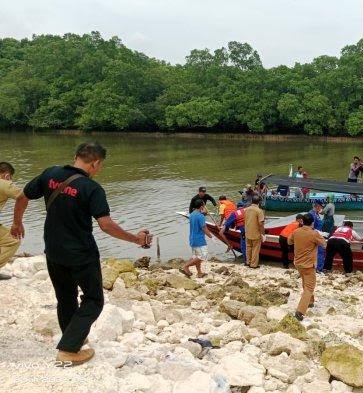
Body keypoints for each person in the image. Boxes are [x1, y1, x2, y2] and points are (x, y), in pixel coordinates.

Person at [11, 142, 151, 366]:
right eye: (100, 166)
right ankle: (68, 350)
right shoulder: (91, 188)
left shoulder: (50, 174)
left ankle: (73, 339)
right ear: (95, 163)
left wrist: (17, 223)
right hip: (81, 254)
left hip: (53, 250)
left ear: (76, 156)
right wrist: (136, 239)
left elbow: (22, 197)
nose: (98, 170)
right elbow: (105, 224)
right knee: (93, 300)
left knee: (65, 298)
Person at [288, 213, 326, 321]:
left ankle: (310, 302)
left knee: (306, 283)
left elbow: (289, 241)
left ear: (302, 222)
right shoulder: (314, 233)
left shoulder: (296, 232)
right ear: (313, 223)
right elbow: (324, 244)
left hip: (298, 263)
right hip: (309, 264)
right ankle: (300, 311)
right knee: (309, 287)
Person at [0, 162, 22, 279]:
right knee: (13, 240)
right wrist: (17, 223)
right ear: (7, 175)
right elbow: (23, 196)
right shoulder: (3, 183)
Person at [182, 199, 212, 278]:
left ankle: (199, 273)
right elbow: (204, 228)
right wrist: (210, 235)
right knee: (203, 256)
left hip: (192, 238)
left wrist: (204, 211)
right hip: (199, 239)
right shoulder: (200, 216)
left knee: (196, 256)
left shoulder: (192, 214)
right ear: (201, 206)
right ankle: (186, 266)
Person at [244, 194, 265, 268]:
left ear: (251, 201)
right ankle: (253, 264)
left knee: (248, 248)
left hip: (247, 232)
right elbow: (261, 224)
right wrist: (263, 234)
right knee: (255, 249)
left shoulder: (246, 209)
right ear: (259, 202)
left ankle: (248, 262)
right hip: (256, 233)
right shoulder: (259, 211)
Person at [309, 201, 326, 272]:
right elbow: (310, 226)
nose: (321, 209)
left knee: (320, 251)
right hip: (314, 235)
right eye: (321, 207)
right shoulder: (312, 214)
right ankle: (318, 269)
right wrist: (319, 233)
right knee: (319, 251)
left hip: (318, 234)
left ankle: (319, 268)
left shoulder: (317, 214)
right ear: (317, 206)